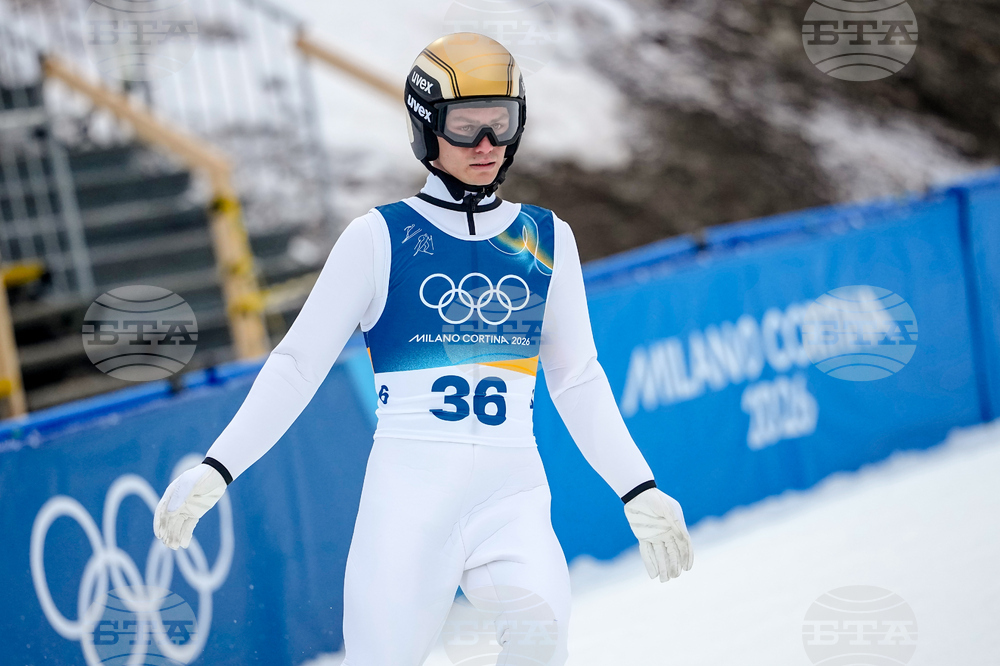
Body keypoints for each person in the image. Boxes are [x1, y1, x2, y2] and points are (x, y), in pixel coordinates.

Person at [154, 32, 693, 665]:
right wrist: (218, 467)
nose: (487, 145)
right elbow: (297, 366)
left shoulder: (547, 238)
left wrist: (638, 488)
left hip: (512, 500)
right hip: (407, 507)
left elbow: (576, 378)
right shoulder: (377, 238)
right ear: (425, 129)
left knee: (539, 648)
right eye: (466, 128)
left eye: (502, 124)